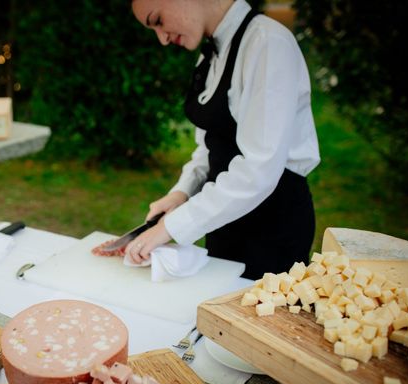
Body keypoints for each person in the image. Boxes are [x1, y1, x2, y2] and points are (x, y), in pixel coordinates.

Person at [126, 0, 320, 280]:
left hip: (272, 227)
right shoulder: (211, 52)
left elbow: (259, 169)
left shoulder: (267, 43)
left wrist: (171, 227)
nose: (162, 38)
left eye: (158, 20)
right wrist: (181, 193)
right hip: (221, 219)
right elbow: (211, 145)